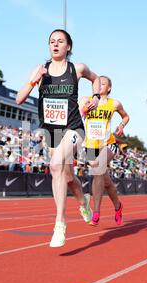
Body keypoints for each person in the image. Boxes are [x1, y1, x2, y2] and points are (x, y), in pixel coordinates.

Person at [16, 29, 100, 247]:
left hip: (74, 128)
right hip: (52, 132)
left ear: (68, 47)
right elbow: (18, 99)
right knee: (67, 177)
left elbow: (96, 79)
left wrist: (96, 97)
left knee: (55, 166)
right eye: (52, 41)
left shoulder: (77, 68)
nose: (55, 44)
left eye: (60, 41)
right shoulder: (40, 70)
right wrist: (33, 82)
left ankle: (60, 224)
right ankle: (84, 202)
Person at [79, 76, 130, 226]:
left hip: (108, 143)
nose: (100, 85)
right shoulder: (85, 100)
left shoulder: (114, 103)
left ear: (109, 88)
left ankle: (96, 211)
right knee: (106, 182)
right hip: (90, 145)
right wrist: (85, 109)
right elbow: (79, 113)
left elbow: (126, 116)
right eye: (98, 83)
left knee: (98, 168)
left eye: (103, 83)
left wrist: (121, 125)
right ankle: (118, 206)